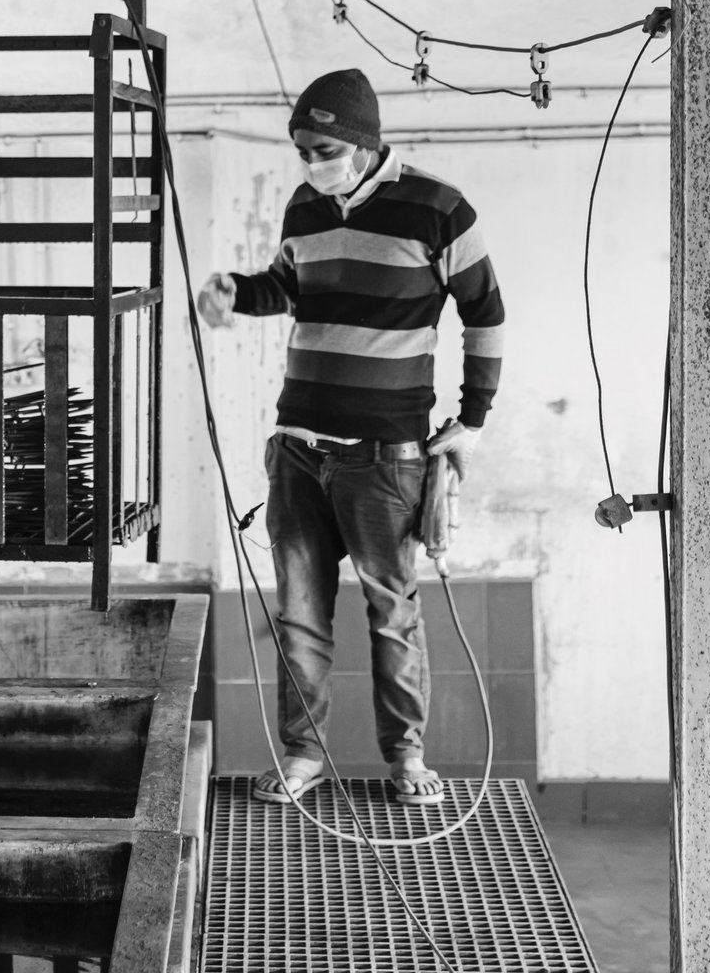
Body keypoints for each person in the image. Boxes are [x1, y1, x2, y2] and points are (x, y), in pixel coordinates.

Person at [196, 67, 503, 807]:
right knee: (300, 615)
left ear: (364, 144)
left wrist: (473, 419)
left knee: (391, 614)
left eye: (323, 148)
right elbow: (289, 286)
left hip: (385, 456)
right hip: (298, 447)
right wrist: (236, 289)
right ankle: (302, 759)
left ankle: (407, 762)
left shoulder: (440, 210)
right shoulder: (306, 204)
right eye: (300, 149)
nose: (310, 163)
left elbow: (486, 313)